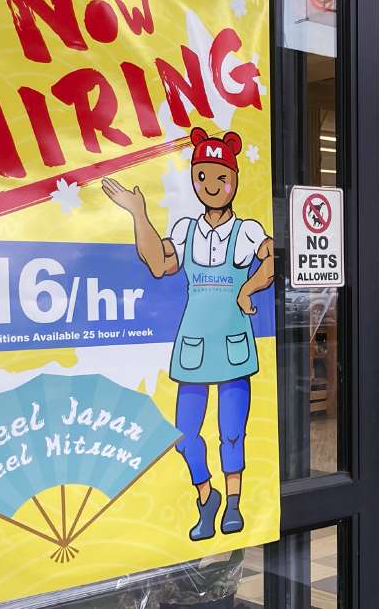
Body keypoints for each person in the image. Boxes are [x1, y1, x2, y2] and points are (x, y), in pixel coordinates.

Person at [103, 127, 274, 542]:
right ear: (194, 179)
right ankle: (206, 497)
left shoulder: (249, 231)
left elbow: (272, 261)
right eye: (202, 177)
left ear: (233, 180)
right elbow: (158, 264)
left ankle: (233, 504)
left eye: (220, 177)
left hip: (234, 346)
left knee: (232, 432)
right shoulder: (185, 229)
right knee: (184, 435)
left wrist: (247, 289)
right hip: (194, 346)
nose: (212, 186)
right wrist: (139, 214)